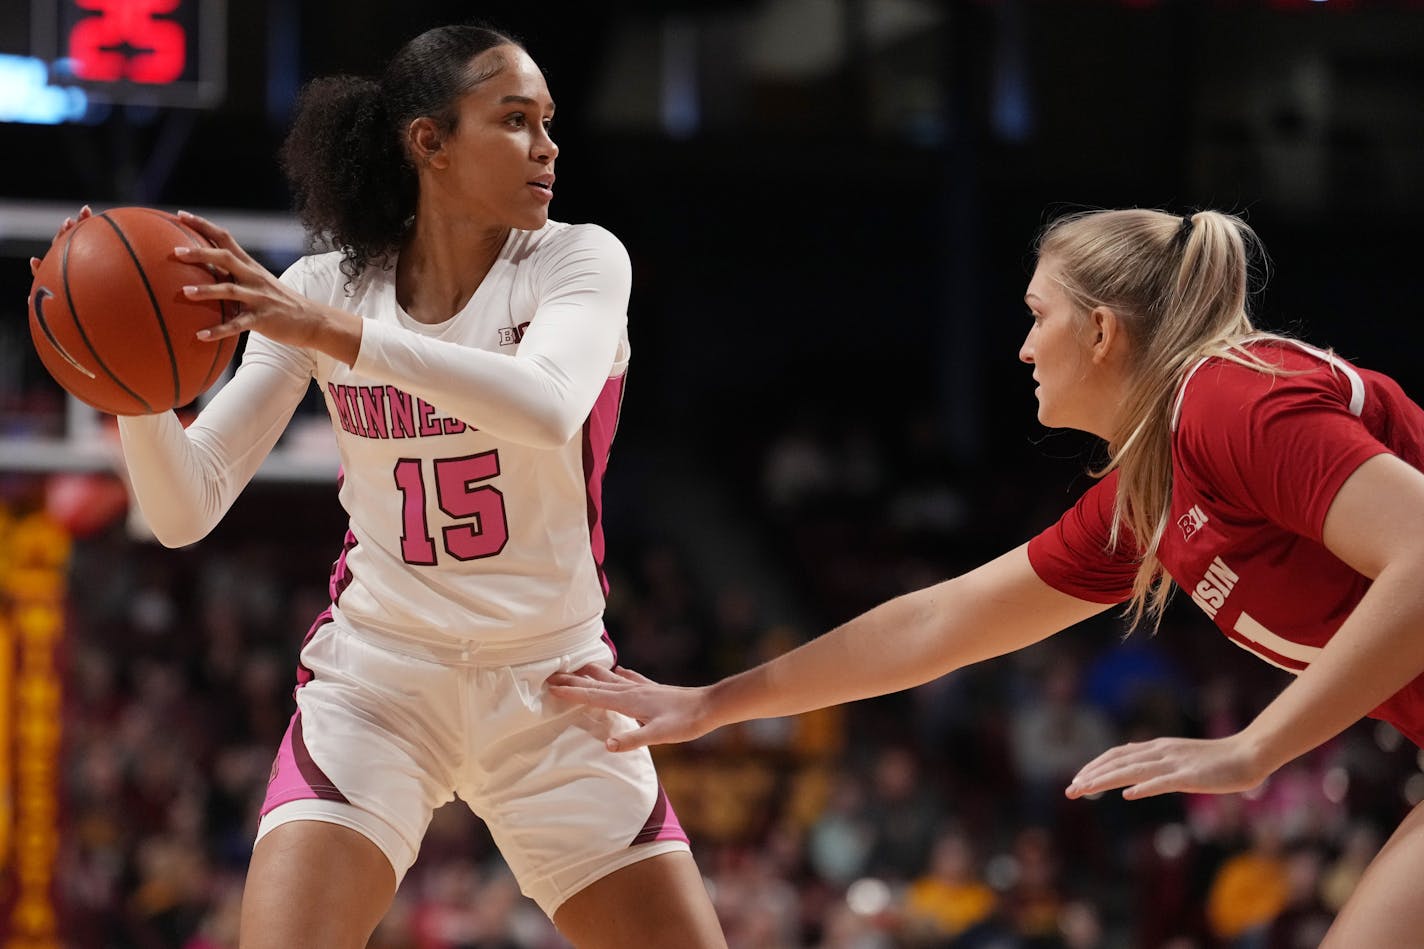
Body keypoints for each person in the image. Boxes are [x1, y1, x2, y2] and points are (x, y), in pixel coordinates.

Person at [548, 207, 1424, 946]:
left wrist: (1254, 748)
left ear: (1102, 330)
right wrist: (711, 703)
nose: (1022, 348)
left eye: (1037, 315)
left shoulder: (1230, 398)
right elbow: (938, 625)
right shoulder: (1149, 494)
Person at [35, 22, 727, 949]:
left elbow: (548, 404)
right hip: (381, 680)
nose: (548, 146)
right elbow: (183, 509)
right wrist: (138, 391)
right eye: (515, 120)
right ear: (428, 142)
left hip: (555, 685)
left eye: (550, 122)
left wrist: (332, 334)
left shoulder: (578, 259)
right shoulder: (329, 284)